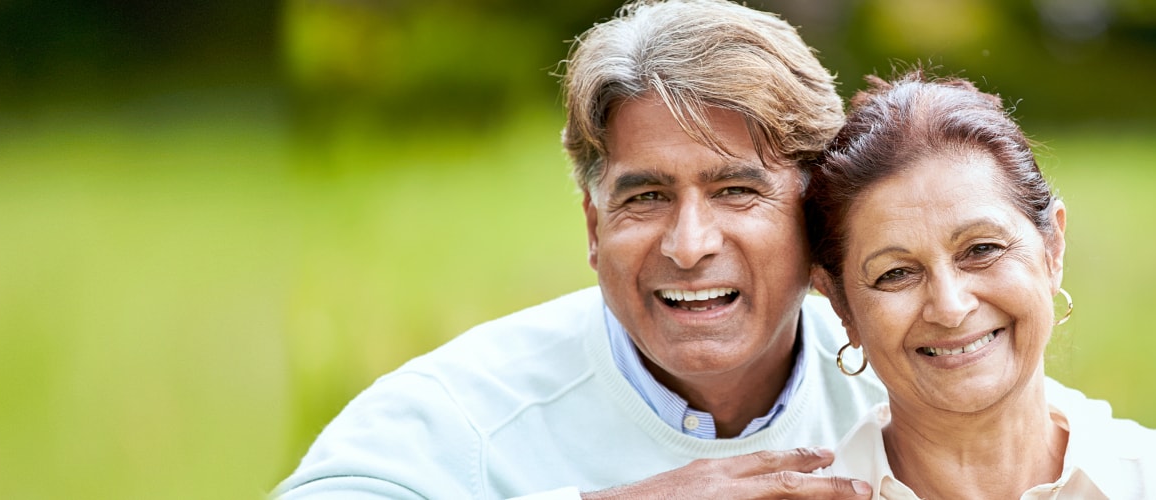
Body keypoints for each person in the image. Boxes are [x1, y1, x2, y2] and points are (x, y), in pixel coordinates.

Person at [273, 1, 888, 499]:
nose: (689, 245)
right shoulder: (460, 414)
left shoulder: (904, 379)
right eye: (646, 197)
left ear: (816, 219)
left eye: (734, 191)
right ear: (595, 229)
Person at [801, 71, 1156, 499]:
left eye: (982, 250)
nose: (949, 305)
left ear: (1052, 248)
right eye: (896, 273)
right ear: (842, 304)